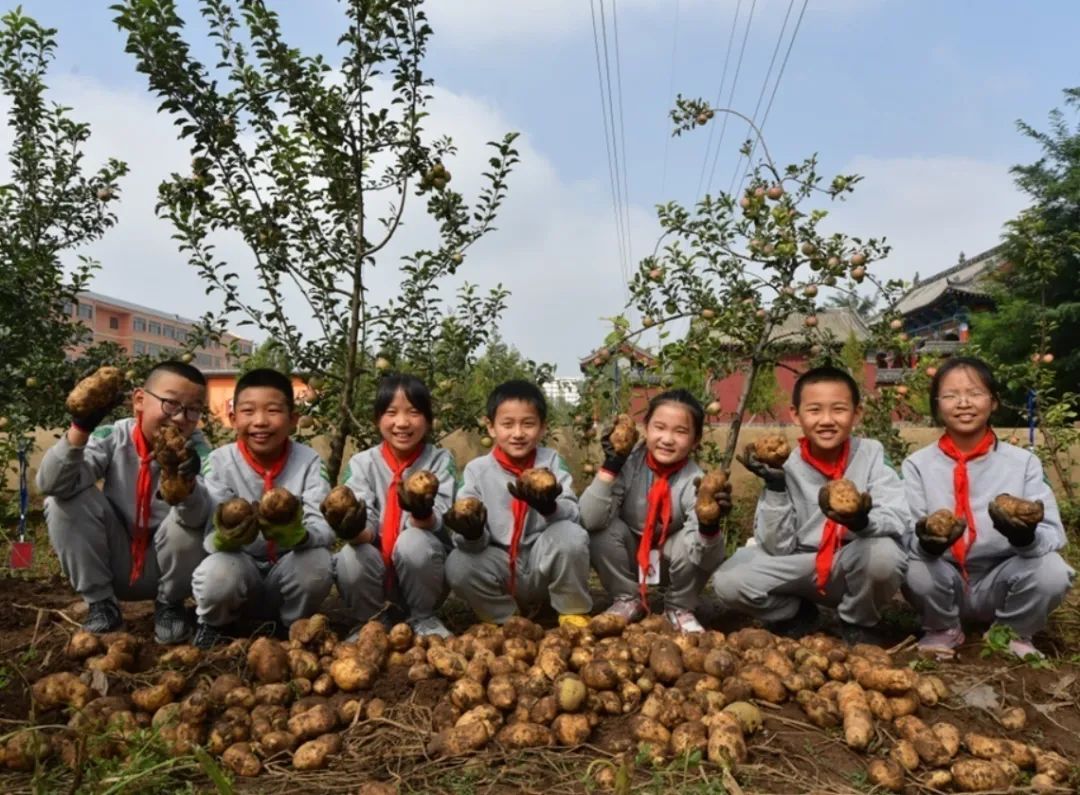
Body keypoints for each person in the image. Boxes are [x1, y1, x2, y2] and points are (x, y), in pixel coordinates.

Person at [710, 365, 909, 643]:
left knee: (884, 555)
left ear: (857, 414)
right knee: (729, 582)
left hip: (851, 561)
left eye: (838, 409)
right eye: (814, 410)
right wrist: (776, 487)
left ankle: (858, 622)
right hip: (800, 562)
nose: (826, 420)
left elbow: (899, 517)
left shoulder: (872, 454)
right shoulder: (785, 465)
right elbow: (776, 547)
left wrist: (862, 521)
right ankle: (796, 613)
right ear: (795, 414)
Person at [903, 356, 1074, 658]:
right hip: (945, 579)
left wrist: (1025, 538)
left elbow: (1054, 535)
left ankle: (1010, 632)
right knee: (910, 566)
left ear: (993, 402)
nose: (963, 403)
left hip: (1004, 579)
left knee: (1053, 571)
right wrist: (926, 544)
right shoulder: (917, 465)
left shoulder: (1023, 463)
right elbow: (905, 536)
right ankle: (942, 628)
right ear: (937, 404)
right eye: (951, 395)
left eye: (975, 393)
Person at [38, 361, 210, 643]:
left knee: (196, 509)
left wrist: (190, 485)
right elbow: (51, 485)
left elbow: (202, 515)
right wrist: (80, 428)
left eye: (193, 409)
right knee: (63, 500)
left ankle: (170, 606)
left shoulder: (198, 451)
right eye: (170, 404)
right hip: (114, 560)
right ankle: (102, 605)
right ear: (139, 400)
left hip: (166, 568)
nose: (180, 418)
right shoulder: (112, 437)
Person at [191, 368, 333, 648]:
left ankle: (290, 626)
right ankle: (217, 624)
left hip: (287, 570)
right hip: (240, 568)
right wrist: (226, 536)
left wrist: (300, 536)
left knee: (318, 562)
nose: (260, 422)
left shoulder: (309, 461)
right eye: (248, 411)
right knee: (218, 572)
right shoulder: (219, 462)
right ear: (233, 419)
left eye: (272, 411)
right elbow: (209, 534)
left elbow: (325, 529)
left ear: (293, 420)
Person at [444, 380, 592, 627]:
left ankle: (571, 610)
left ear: (543, 428)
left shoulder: (552, 462)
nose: (518, 433)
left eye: (528, 424)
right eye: (507, 424)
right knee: (458, 563)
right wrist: (471, 534)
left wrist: (550, 508)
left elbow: (573, 514)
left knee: (571, 535)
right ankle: (504, 618)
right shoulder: (476, 471)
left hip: (541, 561)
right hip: (499, 565)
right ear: (491, 427)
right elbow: (465, 534)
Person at [580, 390, 730, 633]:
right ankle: (628, 599)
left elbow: (709, 559)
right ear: (646, 428)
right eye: (659, 427)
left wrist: (709, 527)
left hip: (669, 562)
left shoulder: (697, 481)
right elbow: (588, 518)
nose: (667, 439)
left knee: (695, 538)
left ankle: (680, 607)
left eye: (680, 431)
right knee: (600, 530)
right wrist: (611, 466)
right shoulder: (627, 465)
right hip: (629, 554)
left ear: (696, 439)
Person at [333, 373, 456, 638]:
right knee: (350, 556)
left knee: (414, 541)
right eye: (391, 413)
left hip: (422, 571)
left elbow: (445, 516)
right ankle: (371, 622)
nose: (402, 423)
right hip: (376, 570)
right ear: (377, 420)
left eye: (413, 412)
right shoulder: (361, 464)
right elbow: (364, 518)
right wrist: (354, 529)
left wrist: (424, 514)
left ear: (429, 421)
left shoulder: (439, 460)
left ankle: (423, 617)